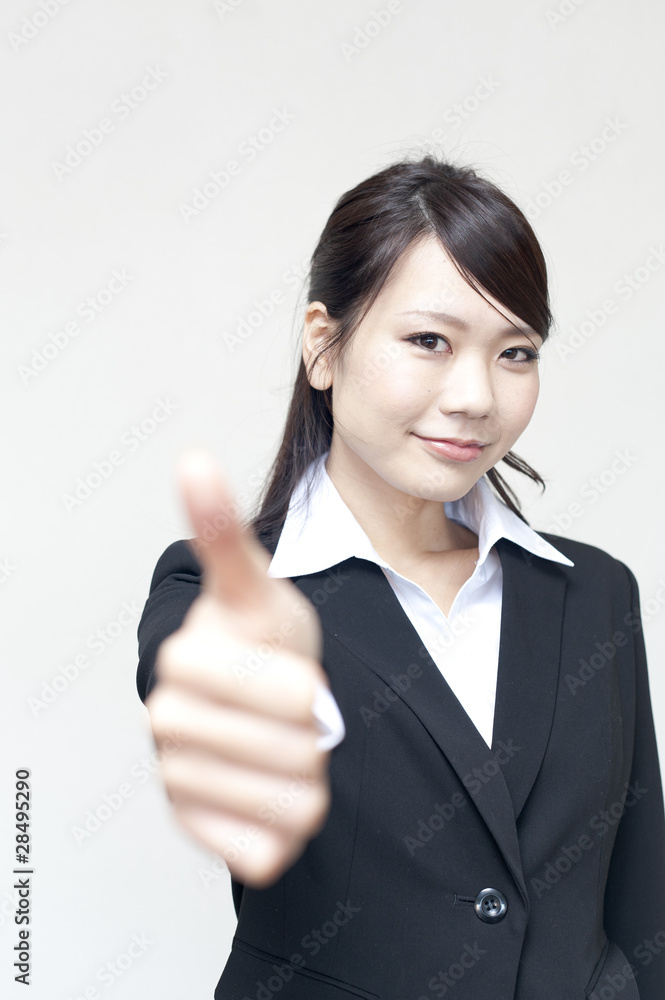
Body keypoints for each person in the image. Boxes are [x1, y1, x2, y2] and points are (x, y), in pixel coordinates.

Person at [136, 155, 665, 1000]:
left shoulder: (596, 593)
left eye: (515, 352)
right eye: (428, 340)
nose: (475, 396)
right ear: (323, 346)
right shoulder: (223, 590)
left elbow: (640, 899)